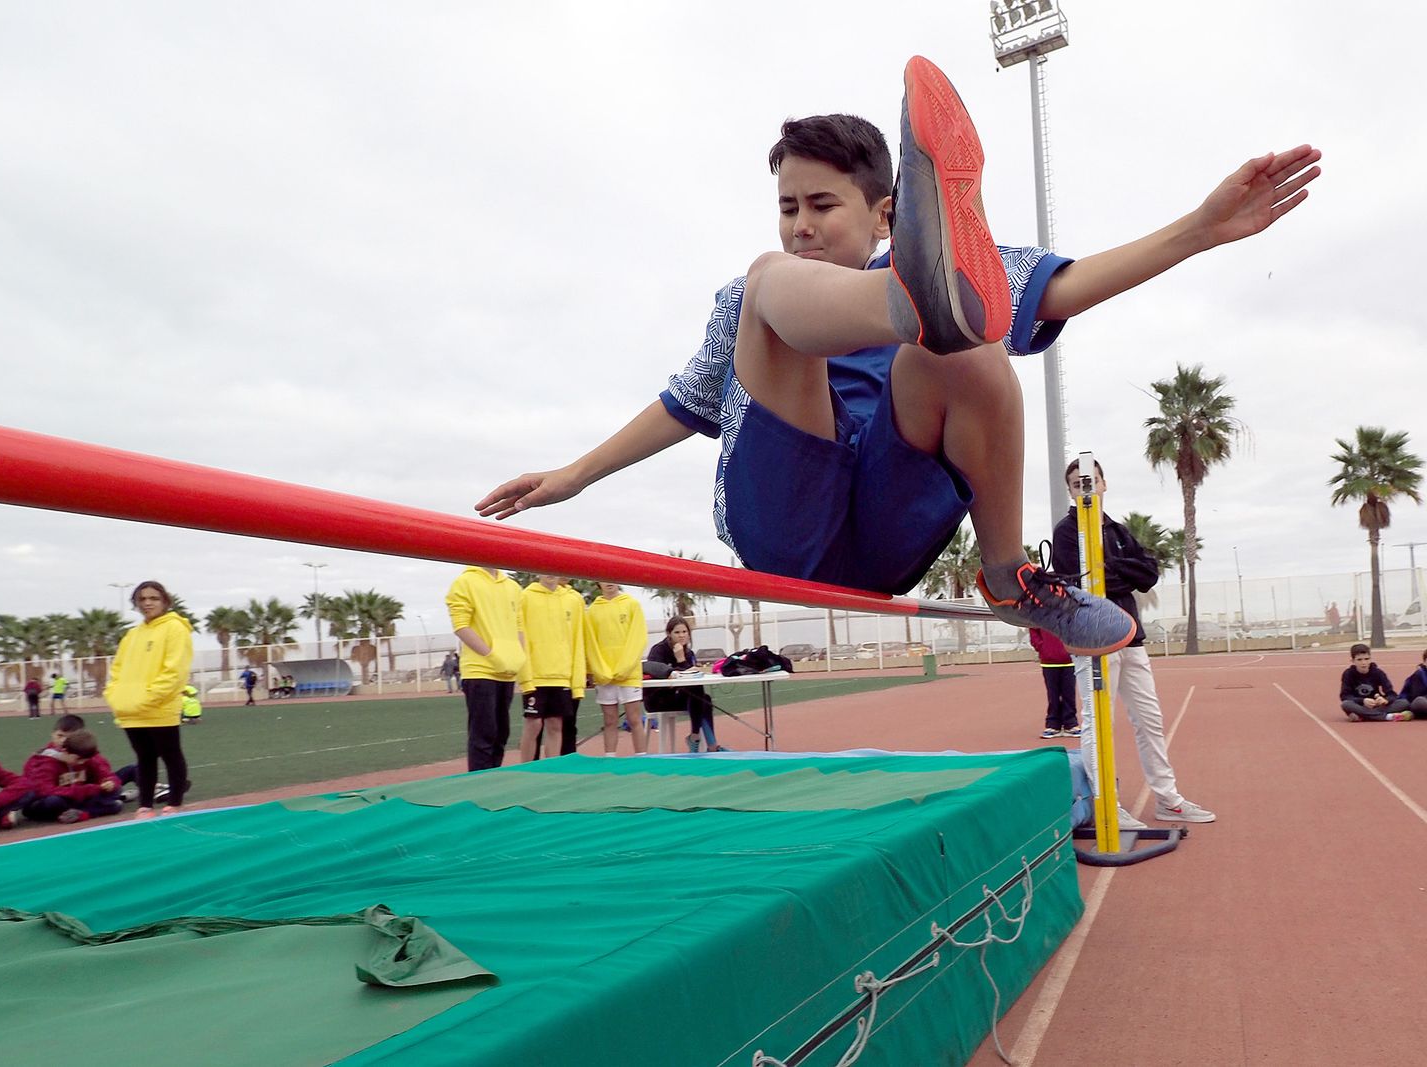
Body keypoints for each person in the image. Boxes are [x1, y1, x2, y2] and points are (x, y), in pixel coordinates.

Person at [476, 57, 1319, 661]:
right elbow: (682, 405)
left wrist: (1198, 231)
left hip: (889, 519)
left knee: (971, 352)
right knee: (775, 285)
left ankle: (1009, 575)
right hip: (787, 522)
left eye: (822, 205)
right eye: (787, 206)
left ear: (885, 214)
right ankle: (908, 311)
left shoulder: (955, 274)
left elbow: (1063, 288)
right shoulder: (753, 294)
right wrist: (574, 476)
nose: (802, 225)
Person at [1052, 461, 1215, 825]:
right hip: (1093, 639)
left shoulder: (1118, 530)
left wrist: (1111, 571)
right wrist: (1117, 573)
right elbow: (1078, 583)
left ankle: (1167, 799)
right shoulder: (1066, 532)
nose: (1086, 489)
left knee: (1149, 720)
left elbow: (1147, 573)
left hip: (1131, 637)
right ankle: (1106, 804)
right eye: (1078, 485)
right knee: (1097, 722)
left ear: (1103, 484)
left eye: (1091, 481)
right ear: (1071, 492)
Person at [105, 580, 195, 819]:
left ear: (165, 601)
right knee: (144, 758)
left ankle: (175, 803)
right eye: (142, 599)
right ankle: (145, 806)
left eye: (153, 598)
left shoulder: (175, 628)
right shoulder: (132, 635)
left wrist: (149, 697)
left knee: (170, 755)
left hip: (160, 707)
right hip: (130, 710)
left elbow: (174, 671)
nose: (147, 603)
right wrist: (115, 696)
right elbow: (117, 670)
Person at [446, 566, 526, 771]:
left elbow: (519, 626)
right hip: (479, 670)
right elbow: (461, 626)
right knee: (484, 734)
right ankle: (479, 782)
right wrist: (491, 655)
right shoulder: (465, 582)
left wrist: (519, 656)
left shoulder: (513, 587)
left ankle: (494, 778)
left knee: (501, 734)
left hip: (507, 671)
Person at [517, 574, 587, 761]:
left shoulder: (572, 600)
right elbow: (520, 636)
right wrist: (525, 676)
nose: (550, 574)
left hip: (562, 675)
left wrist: (577, 681)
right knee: (533, 724)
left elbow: (578, 640)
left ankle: (551, 768)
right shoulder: (526, 597)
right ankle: (526, 769)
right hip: (536, 675)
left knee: (555, 724)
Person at [586, 583, 648, 756]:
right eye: (603, 579)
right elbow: (590, 643)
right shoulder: (592, 611)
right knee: (610, 720)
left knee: (634, 719)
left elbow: (638, 638)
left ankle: (641, 759)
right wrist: (598, 670)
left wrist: (625, 667)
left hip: (629, 674)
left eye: (611, 578)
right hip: (605, 676)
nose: (609, 582)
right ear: (598, 583)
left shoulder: (632, 604)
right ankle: (610, 759)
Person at [645, 615, 722, 753]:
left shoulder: (689, 653)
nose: (681, 635)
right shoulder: (658, 650)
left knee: (704, 698)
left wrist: (682, 660)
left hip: (681, 696)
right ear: (669, 634)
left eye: (684, 632)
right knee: (700, 696)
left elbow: (692, 676)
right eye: (677, 632)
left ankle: (703, 741)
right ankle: (704, 742)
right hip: (658, 698)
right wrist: (680, 662)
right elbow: (654, 671)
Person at [18, 728, 126, 824]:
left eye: (85, 760)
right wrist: (87, 790)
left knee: (116, 790)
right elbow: (44, 791)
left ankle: (81, 812)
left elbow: (107, 774)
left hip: (74, 798)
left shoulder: (87, 753)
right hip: (46, 801)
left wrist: (110, 782)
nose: (81, 763)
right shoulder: (45, 761)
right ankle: (93, 809)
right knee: (54, 801)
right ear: (65, 751)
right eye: (77, 759)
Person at [1028, 627, 1079, 740]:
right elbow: (1033, 629)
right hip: (1049, 661)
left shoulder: (1069, 614)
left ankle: (1070, 724)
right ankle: (1053, 725)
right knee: (1053, 695)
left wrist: (1074, 648)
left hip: (1070, 660)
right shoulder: (1041, 615)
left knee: (1069, 694)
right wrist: (1042, 647)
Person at [1339, 643, 1411, 721]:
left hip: (1377, 705)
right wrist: (1363, 701)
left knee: (1404, 703)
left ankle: (1364, 716)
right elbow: (1345, 696)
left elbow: (1392, 694)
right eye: (1359, 660)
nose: (1363, 663)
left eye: (1366, 659)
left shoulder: (1378, 673)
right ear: (1353, 660)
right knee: (1346, 704)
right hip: (1360, 705)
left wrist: (1385, 700)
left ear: (1370, 659)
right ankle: (1387, 717)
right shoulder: (1348, 674)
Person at [1398, 649, 1427, 718]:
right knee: (1420, 701)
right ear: (1425, 662)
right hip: (1415, 701)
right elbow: (1416, 695)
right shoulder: (1419, 674)